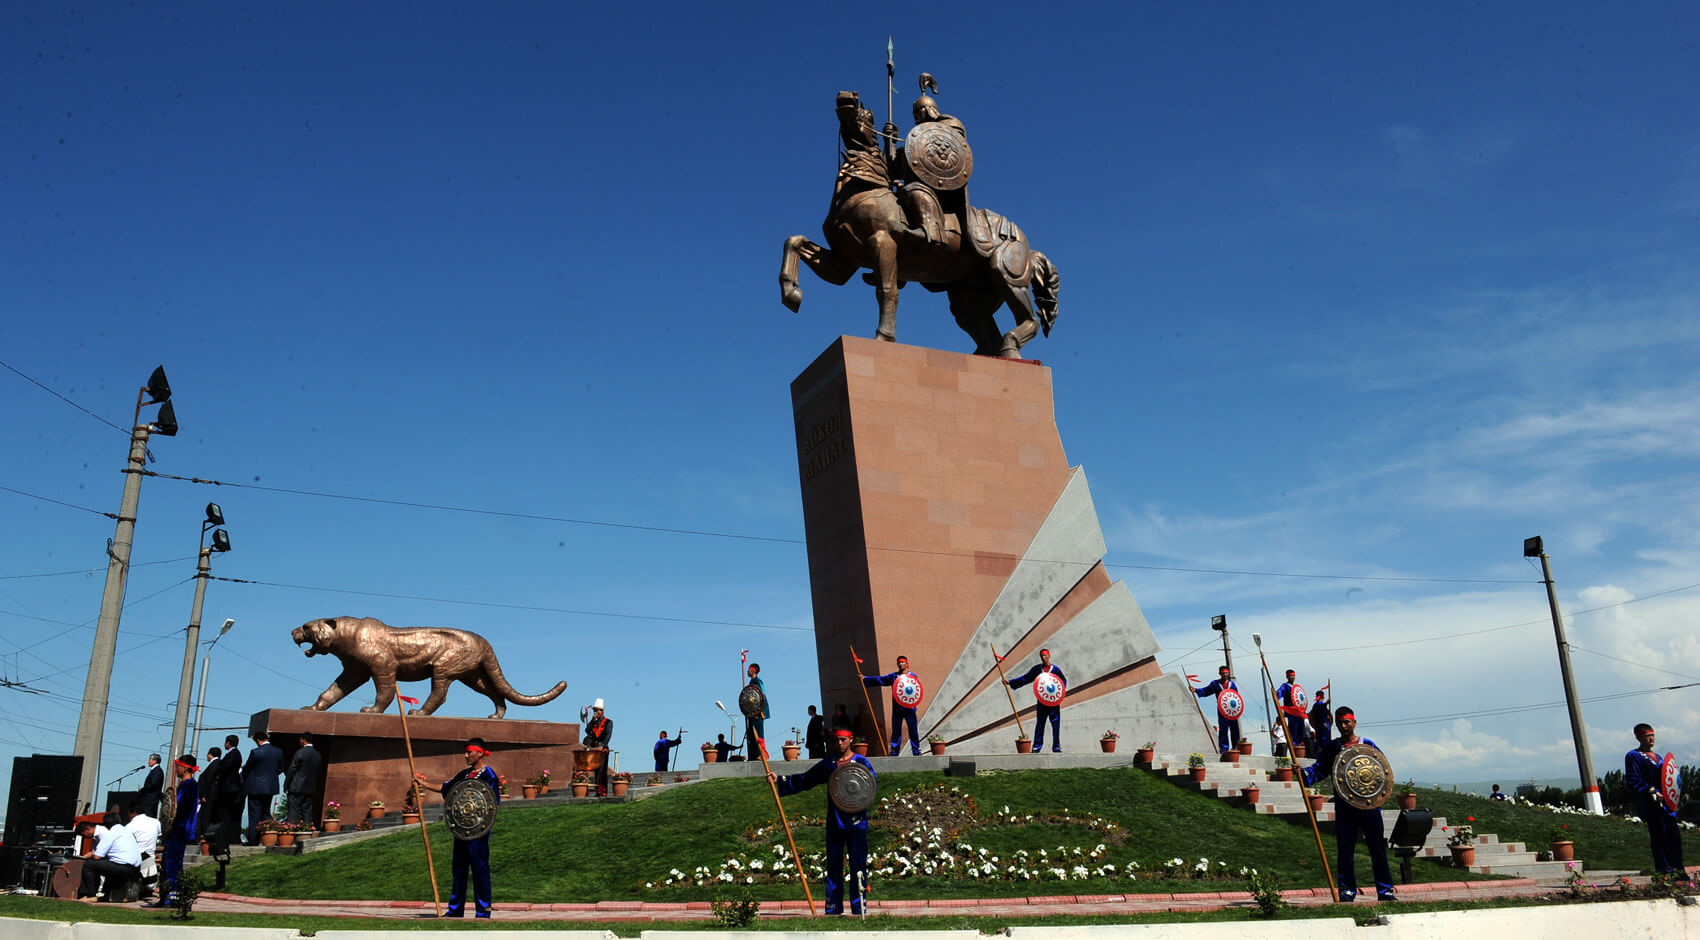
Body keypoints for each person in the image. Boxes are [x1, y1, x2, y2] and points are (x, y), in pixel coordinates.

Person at [767, 728, 877, 915]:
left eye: (843, 740)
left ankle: (860, 908)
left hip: (857, 822)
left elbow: (871, 785)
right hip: (835, 822)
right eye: (837, 740)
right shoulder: (829, 764)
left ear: (850, 740)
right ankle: (833, 907)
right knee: (834, 866)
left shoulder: (862, 762)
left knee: (858, 865)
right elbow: (806, 779)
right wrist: (781, 780)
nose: (840, 743)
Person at [1303, 706, 1396, 903]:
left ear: (1354, 722)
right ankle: (1346, 890)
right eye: (1339, 723)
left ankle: (1385, 890)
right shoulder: (1333, 747)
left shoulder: (1368, 745)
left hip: (1370, 806)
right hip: (1345, 808)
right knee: (1345, 850)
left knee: (1377, 848)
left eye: (1346, 722)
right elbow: (1319, 770)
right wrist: (1302, 774)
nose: (1343, 726)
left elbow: (1380, 771)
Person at [422, 737, 501, 918]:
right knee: (458, 869)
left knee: (480, 869)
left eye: (469, 752)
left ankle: (483, 911)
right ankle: (456, 909)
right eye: (465, 752)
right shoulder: (464, 775)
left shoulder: (489, 775)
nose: (466, 755)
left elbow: (492, 803)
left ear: (480, 753)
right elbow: (447, 788)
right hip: (461, 830)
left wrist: (482, 826)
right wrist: (422, 783)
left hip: (478, 832)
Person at [1625, 723, 1688, 880]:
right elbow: (1633, 779)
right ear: (1638, 737)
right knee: (1659, 837)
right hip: (1651, 805)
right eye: (1647, 736)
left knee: (1673, 837)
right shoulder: (1634, 756)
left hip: (1667, 806)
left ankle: (1678, 869)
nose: (1651, 739)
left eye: (1652, 735)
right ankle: (1664, 871)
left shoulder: (1659, 758)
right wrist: (1651, 790)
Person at [150, 754, 198, 908]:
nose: (176, 769)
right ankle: (165, 897)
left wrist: (172, 821)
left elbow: (181, 809)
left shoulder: (190, 785)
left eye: (178, 766)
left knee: (173, 864)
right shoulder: (184, 785)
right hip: (175, 830)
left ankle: (174, 897)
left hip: (179, 829)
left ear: (184, 767)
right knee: (167, 864)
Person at [1007, 648, 1067, 752]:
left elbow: (1063, 681)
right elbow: (1026, 678)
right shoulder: (1037, 669)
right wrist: (1011, 682)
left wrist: (1060, 693)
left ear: (1049, 656)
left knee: (1056, 724)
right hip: (1042, 701)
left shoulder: (1056, 669)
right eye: (1042, 656)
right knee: (1040, 724)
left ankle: (1056, 746)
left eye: (1045, 655)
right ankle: (1037, 746)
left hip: (1053, 702)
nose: (1043, 658)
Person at [863, 655, 923, 756]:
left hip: (910, 708)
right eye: (899, 662)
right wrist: (865, 679)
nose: (900, 664)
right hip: (897, 708)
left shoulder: (912, 676)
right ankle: (894, 751)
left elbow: (916, 689)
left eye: (902, 662)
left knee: (913, 729)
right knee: (896, 730)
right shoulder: (893, 676)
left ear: (907, 663)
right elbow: (880, 679)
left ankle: (916, 750)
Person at [76, 814, 141, 901]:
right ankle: (106, 895)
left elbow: (97, 856)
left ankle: (89, 895)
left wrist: (89, 857)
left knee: (89, 865)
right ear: (119, 820)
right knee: (106, 865)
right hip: (135, 867)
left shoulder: (110, 833)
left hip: (123, 867)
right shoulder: (126, 831)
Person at [242, 730, 284, 845]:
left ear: (258, 741)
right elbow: (280, 768)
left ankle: (253, 840)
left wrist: (245, 777)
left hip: (254, 787)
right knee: (266, 812)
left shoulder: (255, 752)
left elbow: (247, 769)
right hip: (270, 786)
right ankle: (268, 837)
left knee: (254, 813)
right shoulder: (278, 752)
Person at [1192, 666, 1242, 755]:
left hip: (1232, 711)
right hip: (1222, 710)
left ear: (1228, 673)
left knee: (1235, 729)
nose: (1225, 675)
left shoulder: (1232, 685)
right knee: (1223, 729)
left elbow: (1236, 697)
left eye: (1226, 673)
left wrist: (1237, 710)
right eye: (1223, 673)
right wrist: (1196, 690)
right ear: (1219, 673)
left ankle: (1236, 747)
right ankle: (1224, 748)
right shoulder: (1215, 684)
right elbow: (1206, 690)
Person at [122, 802, 161, 898]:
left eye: (129, 814)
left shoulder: (129, 826)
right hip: (151, 857)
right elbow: (159, 835)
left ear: (133, 813)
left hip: (136, 858)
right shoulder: (156, 822)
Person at [284, 732, 322, 826]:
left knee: (293, 811)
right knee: (307, 811)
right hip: (310, 787)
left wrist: (286, 784)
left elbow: (292, 769)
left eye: (300, 739)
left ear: (303, 740)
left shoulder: (300, 752)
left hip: (297, 786)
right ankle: (306, 832)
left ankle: (290, 832)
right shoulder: (317, 755)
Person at [197, 746, 228, 849]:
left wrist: (204, 795)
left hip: (210, 795)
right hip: (212, 795)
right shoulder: (217, 764)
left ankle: (205, 838)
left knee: (206, 817)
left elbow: (209, 781)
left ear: (210, 754)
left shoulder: (214, 765)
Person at [1276, 669, 1313, 754]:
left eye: (1293, 676)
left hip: (1299, 712)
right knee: (1293, 730)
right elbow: (1279, 693)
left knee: (1301, 730)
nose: (1292, 677)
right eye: (1290, 676)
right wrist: (1276, 694)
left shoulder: (1296, 687)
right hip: (1291, 712)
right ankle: (1294, 747)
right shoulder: (1285, 686)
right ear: (1287, 676)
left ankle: (1300, 745)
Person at [216, 735, 244, 843]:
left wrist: (219, 768)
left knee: (225, 813)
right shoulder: (235, 754)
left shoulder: (233, 754)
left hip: (228, 788)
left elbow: (226, 767)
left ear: (228, 743)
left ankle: (226, 837)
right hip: (230, 787)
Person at [743, 663, 770, 760]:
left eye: (749, 669)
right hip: (752, 713)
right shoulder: (752, 681)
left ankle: (762, 754)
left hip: (758, 712)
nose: (747, 671)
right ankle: (753, 755)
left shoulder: (757, 681)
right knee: (752, 734)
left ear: (753, 670)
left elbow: (760, 696)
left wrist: (758, 710)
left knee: (758, 733)